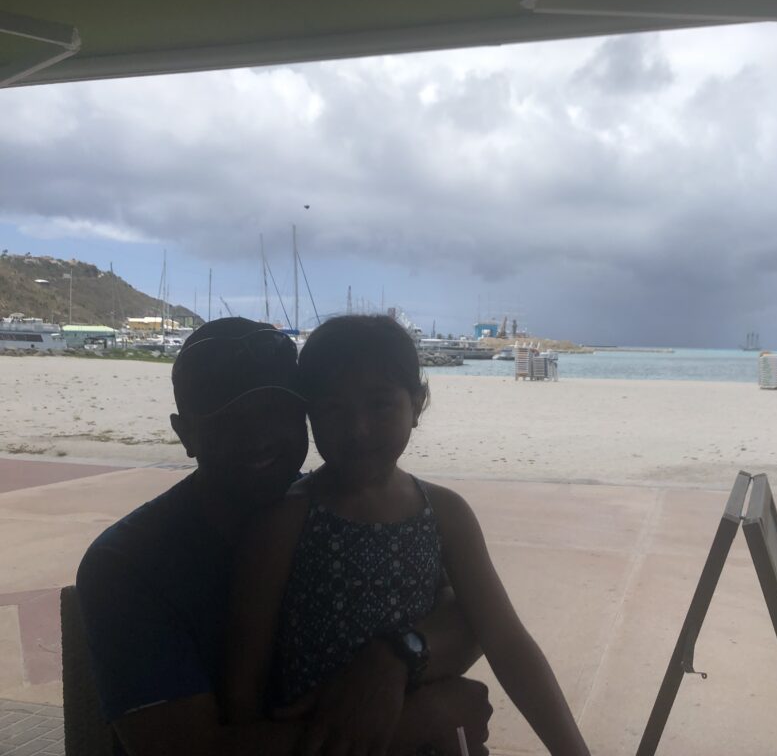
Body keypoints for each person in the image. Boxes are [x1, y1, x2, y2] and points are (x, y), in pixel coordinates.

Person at [76, 318, 490, 756]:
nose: (259, 437)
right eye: (227, 419)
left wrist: (393, 659)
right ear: (186, 434)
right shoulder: (128, 564)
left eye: (278, 411)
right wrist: (426, 715)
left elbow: (466, 614)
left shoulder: (343, 510)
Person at [224, 315, 591, 756]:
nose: (358, 430)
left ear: (417, 405)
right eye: (333, 409)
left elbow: (507, 640)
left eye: (379, 404)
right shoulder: (285, 521)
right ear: (309, 415)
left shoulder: (446, 514)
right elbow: (243, 691)